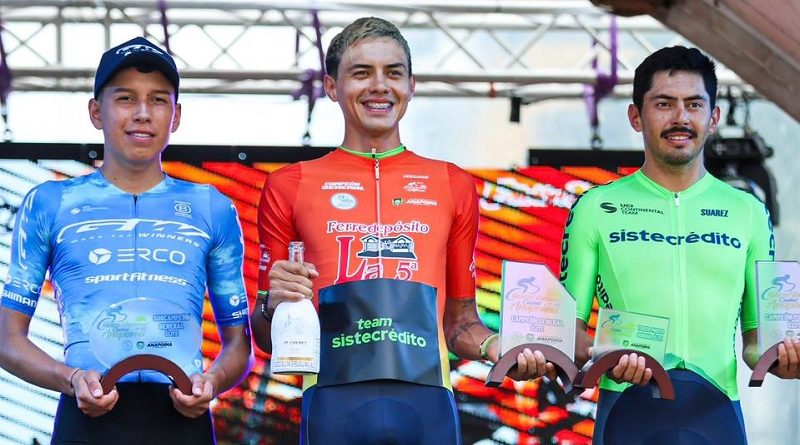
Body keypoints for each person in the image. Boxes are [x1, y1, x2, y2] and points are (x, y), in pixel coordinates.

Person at [250, 17, 550, 445]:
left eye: (393, 73)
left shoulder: (452, 183)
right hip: (333, 405)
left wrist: (497, 347)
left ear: (411, 86)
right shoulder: (289, 184)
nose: (379, 86)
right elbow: (265, 337)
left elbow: (460, 324)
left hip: (428, 407)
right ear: (332, 86)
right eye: (361, 73)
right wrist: (272, 304)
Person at [0, 36, 253, 444]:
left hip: (181, 419)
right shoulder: (50, 202)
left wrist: (212, 381)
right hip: (86, 418)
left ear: (176, 115)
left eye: (158, 100)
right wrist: (71, 378)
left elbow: (240, 344)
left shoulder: (212, 207)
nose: (142, 113)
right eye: (125, 98)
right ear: (96, 111)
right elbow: (7, 338)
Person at [560, 45, 800, 444]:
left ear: (714, 117)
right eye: (664, 104)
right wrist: (607, 356)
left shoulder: (748, 211)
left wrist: (785, 357)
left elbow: (757, 341)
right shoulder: (595, 208)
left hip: (717, 418)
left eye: (694, 104)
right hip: (626, 416)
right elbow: (568, 332)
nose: (681, 118)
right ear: (636, 116)